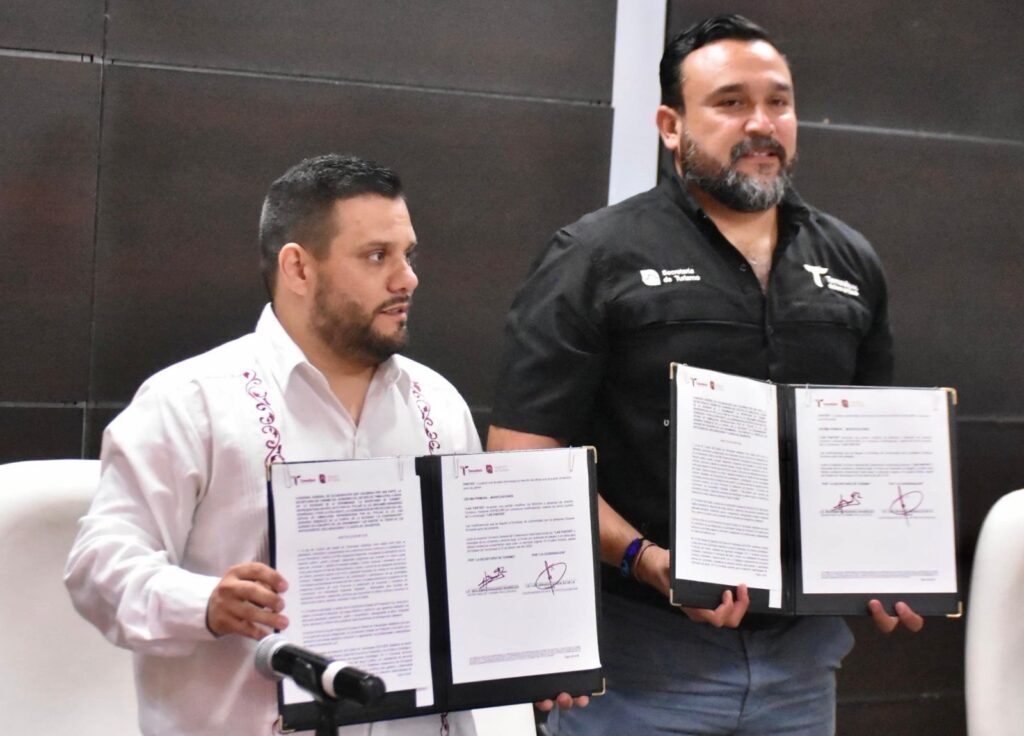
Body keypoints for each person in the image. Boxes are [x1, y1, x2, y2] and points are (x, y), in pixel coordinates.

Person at [488, 14, 923, 736]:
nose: (761, 124)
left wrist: (888, 560)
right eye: (730, 103)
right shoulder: (595, 256)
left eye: (778, 102)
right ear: (671, 125)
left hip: (800, 668)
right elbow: (521, 456)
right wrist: (645, 558)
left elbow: (869, 450)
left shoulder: (850, 261)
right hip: (638, 666)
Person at [65, 154, 485, 735]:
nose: (406, 279)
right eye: (376, 256)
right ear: (298, 268)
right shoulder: (191, 402)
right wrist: (206, 603)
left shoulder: (439, 405)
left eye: (408, 255)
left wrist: (538, 659)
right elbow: (98, 569)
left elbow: (475, 580)